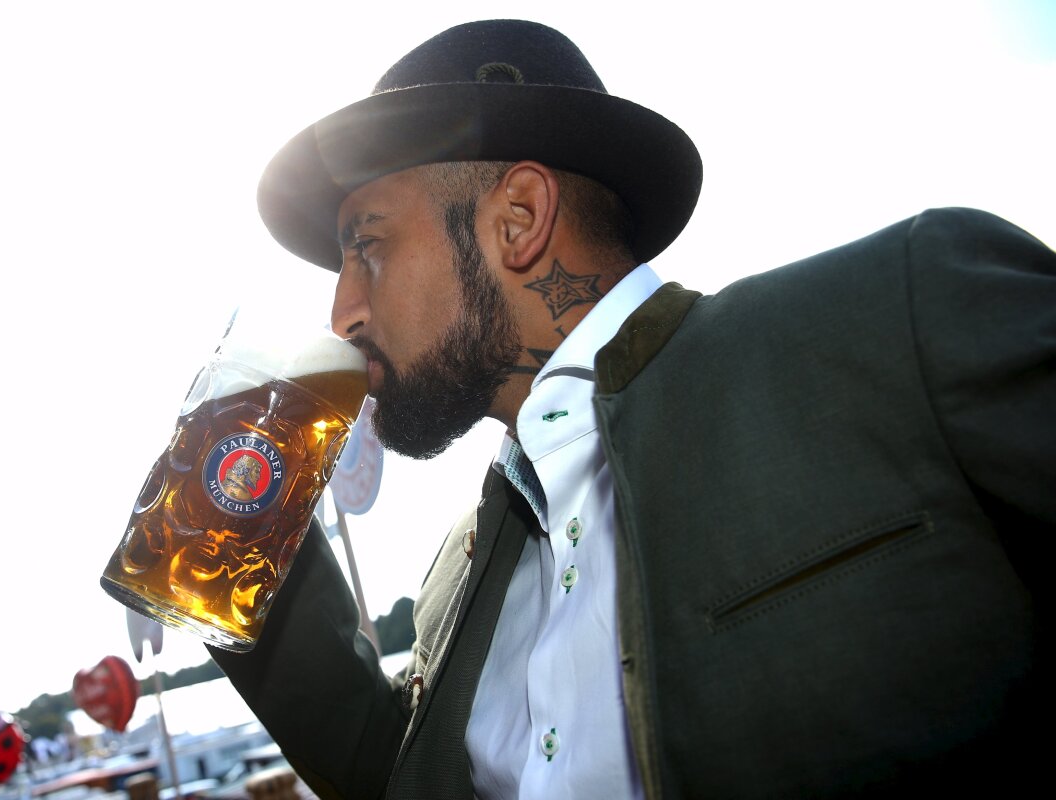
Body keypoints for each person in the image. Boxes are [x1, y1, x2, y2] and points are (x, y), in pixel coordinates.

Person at [209, 19, 1053, 799]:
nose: (343, 312)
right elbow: (393, 777)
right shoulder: (455, 582)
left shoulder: (894, 323)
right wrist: (227, 533)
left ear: (519, 219)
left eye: (367, 243)